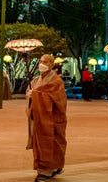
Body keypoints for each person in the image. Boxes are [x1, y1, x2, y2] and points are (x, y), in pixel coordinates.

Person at [26, 54, 67, 182]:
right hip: (39, 118)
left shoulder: (56, 81)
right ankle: (47, 167)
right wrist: (30, 95)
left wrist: (36, 94)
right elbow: (31, 94)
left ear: (52, 65)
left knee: (52, 142)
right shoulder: (35, 80)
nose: (42, 64)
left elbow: (58, 100)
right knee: (40, 143)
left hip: (52, 119)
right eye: (41, 61)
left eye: (46, 62)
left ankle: (47, 170)